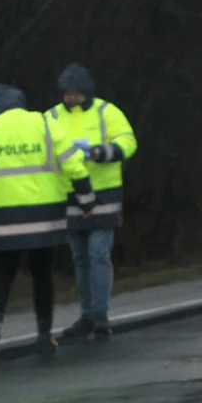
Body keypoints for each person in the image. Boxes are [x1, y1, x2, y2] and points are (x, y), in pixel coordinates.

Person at [0, 84, 97, 362]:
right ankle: (44, 335)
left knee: (3, 274)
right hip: (44, 216)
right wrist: (87, 199)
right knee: (42, 274)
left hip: (3, 217)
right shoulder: (47, 125)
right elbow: (73, 164)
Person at [47, 63, 138, 341]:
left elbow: (128, 142)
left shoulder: (106, 112)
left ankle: (99, 314)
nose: (69, 98)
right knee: (80, 259)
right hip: (70, 194)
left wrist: (101, 152)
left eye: (75, 93)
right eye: (66, 93)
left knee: (98, 254)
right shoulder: (51, 116)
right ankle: (87, 315)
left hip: (104, 194)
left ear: (86, 92)